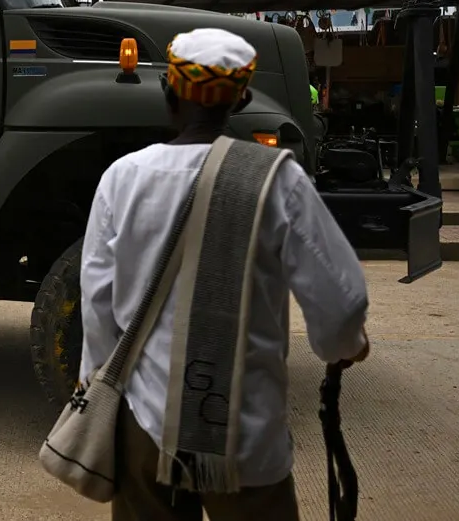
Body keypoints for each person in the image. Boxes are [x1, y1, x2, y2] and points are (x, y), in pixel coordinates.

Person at [78, 27, 370, 521]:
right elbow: (341, 301)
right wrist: (342, 348)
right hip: (244, 435)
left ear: (170, 95)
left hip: (146, 430)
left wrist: (98, 385)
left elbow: (97, 301)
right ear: (241, 101)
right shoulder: (278, 179)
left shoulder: (121, 178)